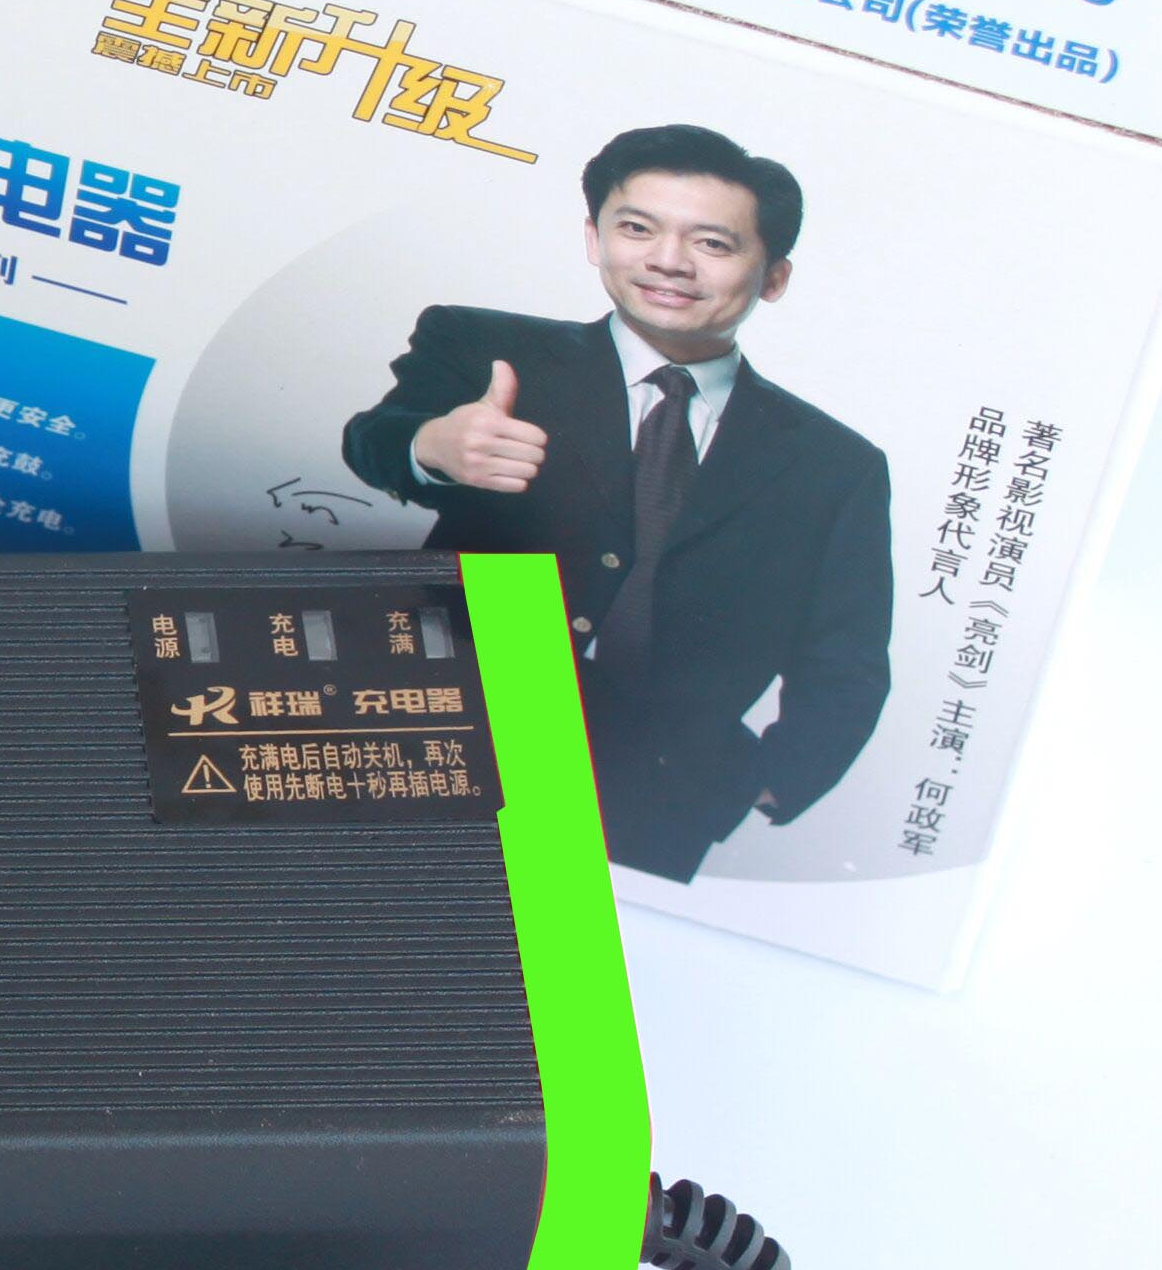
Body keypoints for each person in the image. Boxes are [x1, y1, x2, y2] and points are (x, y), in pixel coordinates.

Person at [341, 123, 891, 882]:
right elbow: (374, 440)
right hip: (436, 725)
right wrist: (433, 445)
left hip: (648, 800)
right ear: (594, 239)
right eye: (637, 229)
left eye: (712, 243)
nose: (668, 260)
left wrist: (769, 782)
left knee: (550, 957)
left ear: (773, 277)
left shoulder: (836, 464)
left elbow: (846, 656)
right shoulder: (484, 347)